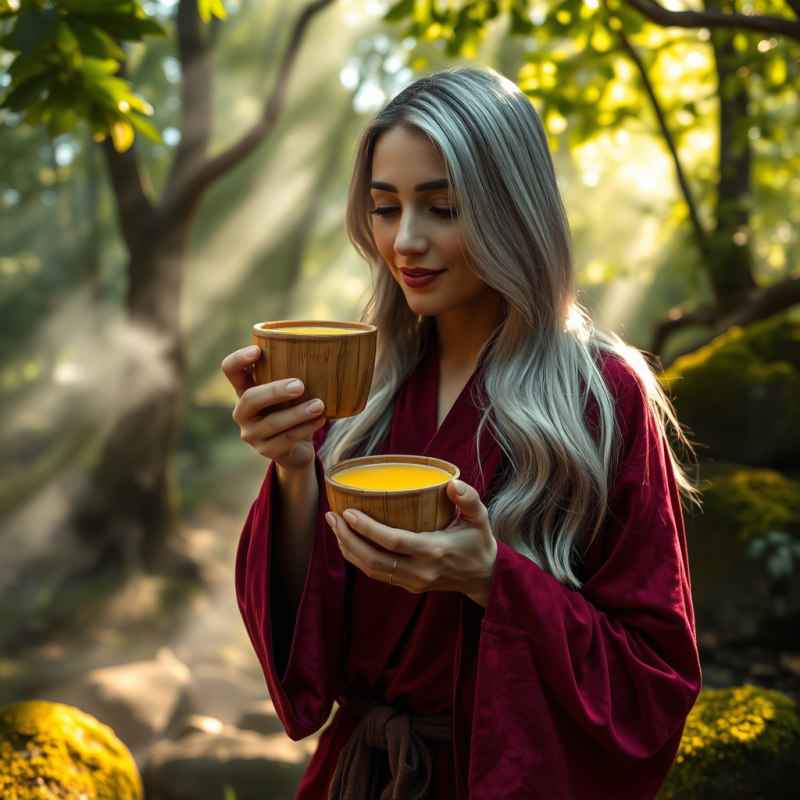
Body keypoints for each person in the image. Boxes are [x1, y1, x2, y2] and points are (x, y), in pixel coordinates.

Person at [224, 66, 702, 800]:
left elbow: (654, 677)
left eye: (443, 207)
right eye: (385, 208)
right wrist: (293, 471)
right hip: (358, 775)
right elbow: (305, 653)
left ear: (515, 209)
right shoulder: (358, 390)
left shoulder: (603, 399)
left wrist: (491, 580)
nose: (405, 241)